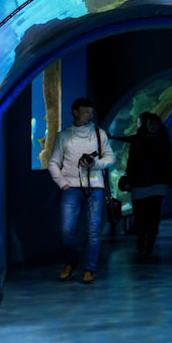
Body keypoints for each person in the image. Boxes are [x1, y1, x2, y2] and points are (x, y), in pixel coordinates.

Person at [48, 97, 115, 285]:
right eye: (86, 112)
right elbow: (53, 162)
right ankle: (71, 261)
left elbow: (111, 157)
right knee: (67, 230)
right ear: (75, 112)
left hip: (94, 188)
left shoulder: (99, 134)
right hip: (71, 188)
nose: (89, 115)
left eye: (91, 112)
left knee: (94, 230)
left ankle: (89, 268)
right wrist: (62, 182)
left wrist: (96, 164)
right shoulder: (63, 136)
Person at [115, 112, 172, 261]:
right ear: (146, 125)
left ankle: (149, 245)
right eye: (150, 124)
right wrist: (129, 180)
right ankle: (141, 238)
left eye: (156, 124)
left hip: (158, 184)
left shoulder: (163, 140)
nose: (153, 126)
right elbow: (132, 161)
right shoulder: (138, 140)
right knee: (140, 216)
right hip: (139, 183)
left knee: (153, 215)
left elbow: (167, 162)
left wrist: (170, 180)